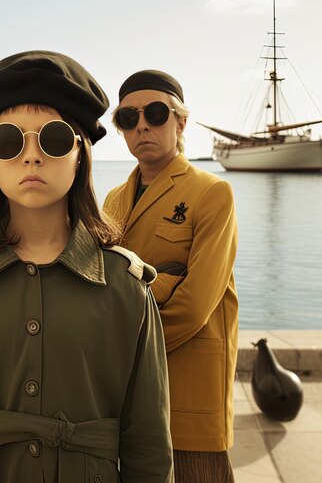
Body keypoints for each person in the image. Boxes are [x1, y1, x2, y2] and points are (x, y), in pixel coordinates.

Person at [0, 51, 173, 483]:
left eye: (54, 139)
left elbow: (150, 447)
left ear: (81, 154)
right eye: (10, 141)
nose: (31, 156)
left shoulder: (127, 288)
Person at [103, 70, 238, 483]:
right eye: (128, 118)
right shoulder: (112, 200)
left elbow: (196, 305)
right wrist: (163, 280)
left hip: (188, 391)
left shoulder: (211, 193)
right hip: (125, 397)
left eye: (156, 113)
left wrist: (124, 352)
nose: (142, 125)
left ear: (180, 122)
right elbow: (104, 289)